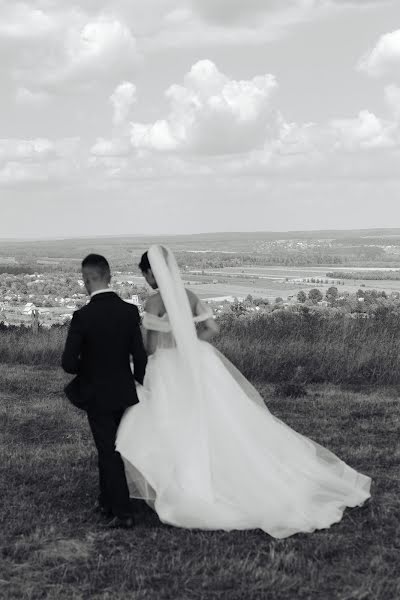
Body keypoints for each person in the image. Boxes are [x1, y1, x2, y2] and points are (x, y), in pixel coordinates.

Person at [116, 245, 371, 538]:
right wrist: (190, 341)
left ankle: (185, 484)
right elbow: (212, 329)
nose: (147, 279)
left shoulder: (153, 302)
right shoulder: (190, 296)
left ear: (151, 272)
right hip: (199, 361)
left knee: (172, 422)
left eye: (146, 274)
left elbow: (149, 347)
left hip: (168, 368)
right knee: (220, 418)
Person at [62, 254, 147, 528]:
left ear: (86, 280)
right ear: (109, 276)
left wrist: (88, 369)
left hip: (96, 394)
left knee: (108, 450)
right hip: (125, 391)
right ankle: (105, 500)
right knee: (113, 448)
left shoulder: (82, 317)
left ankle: (122, 512)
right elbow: (140, 356)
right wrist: (139, 382)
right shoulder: (130, 312)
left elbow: (68, 364)